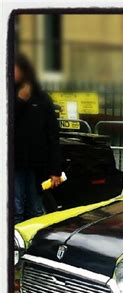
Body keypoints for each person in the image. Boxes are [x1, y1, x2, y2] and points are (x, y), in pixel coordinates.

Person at [14, 53, 62, 224]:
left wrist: (55, 170)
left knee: (35, 208)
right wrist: (19, 101)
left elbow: (53, 136)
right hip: (15, 164)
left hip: (37, 166)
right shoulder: (9, 94)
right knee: (15, 209)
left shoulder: (42, 99)